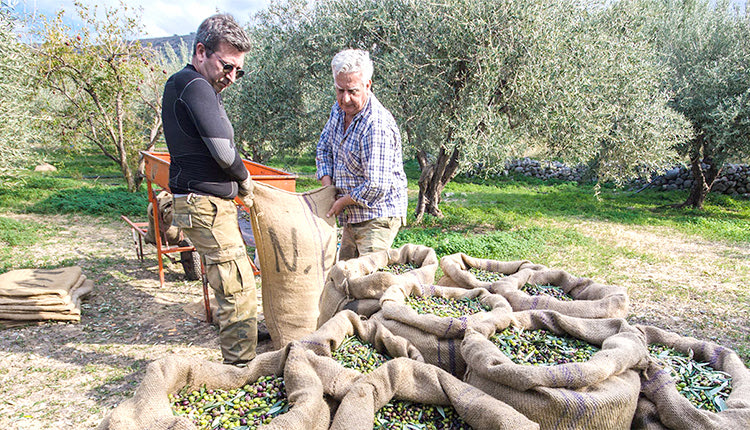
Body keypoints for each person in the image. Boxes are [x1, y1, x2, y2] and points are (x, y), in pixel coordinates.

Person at [162, 14, 259, 366]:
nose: (231, 77)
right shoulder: (196, 85)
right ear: (201, 51)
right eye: (227, 66)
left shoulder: (183, 84)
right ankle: (239, 366)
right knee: (237, 287)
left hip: (198, 202)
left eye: (239, 71)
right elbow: (221, 150)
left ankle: (243, 336)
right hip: (205, 205)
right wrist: (245, 181)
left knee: (230, 280)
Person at [316, 49, 408, 261]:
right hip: (352, 213)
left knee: (368, 280)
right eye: (340, 90)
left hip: (378, 214)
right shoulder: (338, 111)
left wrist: (341, 202)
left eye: (353, 91)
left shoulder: (376, 125)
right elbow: (324, 149)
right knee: (344, 273)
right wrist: (328, 188)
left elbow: (376, 186)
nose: (345, 99)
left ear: (367, 85)